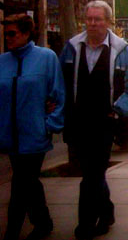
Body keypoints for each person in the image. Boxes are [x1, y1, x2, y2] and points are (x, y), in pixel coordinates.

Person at [59, 0, 128, 240]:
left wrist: (117, 110)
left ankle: (85, 224)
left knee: (91, 174)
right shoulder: (72, 48)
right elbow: (59, 82)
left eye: (98, 19)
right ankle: (106, 212)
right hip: (78, 122)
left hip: (105, 122)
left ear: (108, 22)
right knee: (93, 172)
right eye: (89, 19)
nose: (93, 24)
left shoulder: (122, 50)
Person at [0, 14, 65, 240]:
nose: (7, 38)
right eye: (5, 34)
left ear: (26, 33)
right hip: (10, 136)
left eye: (12, 33)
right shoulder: (2, 62)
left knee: (21, 183)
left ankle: (12, 232)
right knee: (29, 182)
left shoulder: (46, 58)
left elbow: (58, 94)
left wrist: (49, 125)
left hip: (35, 135)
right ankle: (43, 222)